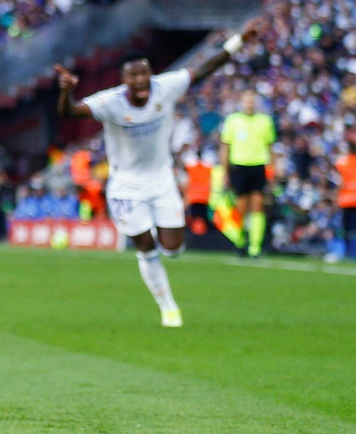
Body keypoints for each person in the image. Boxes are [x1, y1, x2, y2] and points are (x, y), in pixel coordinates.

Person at [54, 20, 262, 327]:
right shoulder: (110, 102)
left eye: (144, 73)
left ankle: (167, 262)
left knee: (173, 249)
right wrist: (66, 93)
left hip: (162, 180)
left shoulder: (166, 87)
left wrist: (238, 41)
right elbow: (69, 112)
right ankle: (168, 308)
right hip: (126, 186)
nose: (141, 80)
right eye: (133, 75)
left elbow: (205, 68)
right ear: (124, 79)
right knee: (145, 246)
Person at [219, 90, 277, 258]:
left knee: (258, 205)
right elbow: (225, 147)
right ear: (241, 102)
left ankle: (255, 246)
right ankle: (240, 241)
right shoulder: (233, 120)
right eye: (247, 100)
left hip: (258, 166)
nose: (250, 103)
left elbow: (270, 147)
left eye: (252, 100)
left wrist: (274, 168)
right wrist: (225, 170)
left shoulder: (265, 121)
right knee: (241, 206)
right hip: (239, 166)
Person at [337, 142, 356, 261]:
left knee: (347, 228)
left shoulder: (343, 162)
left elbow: (340, 181)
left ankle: (348, 252)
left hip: (346, 200)